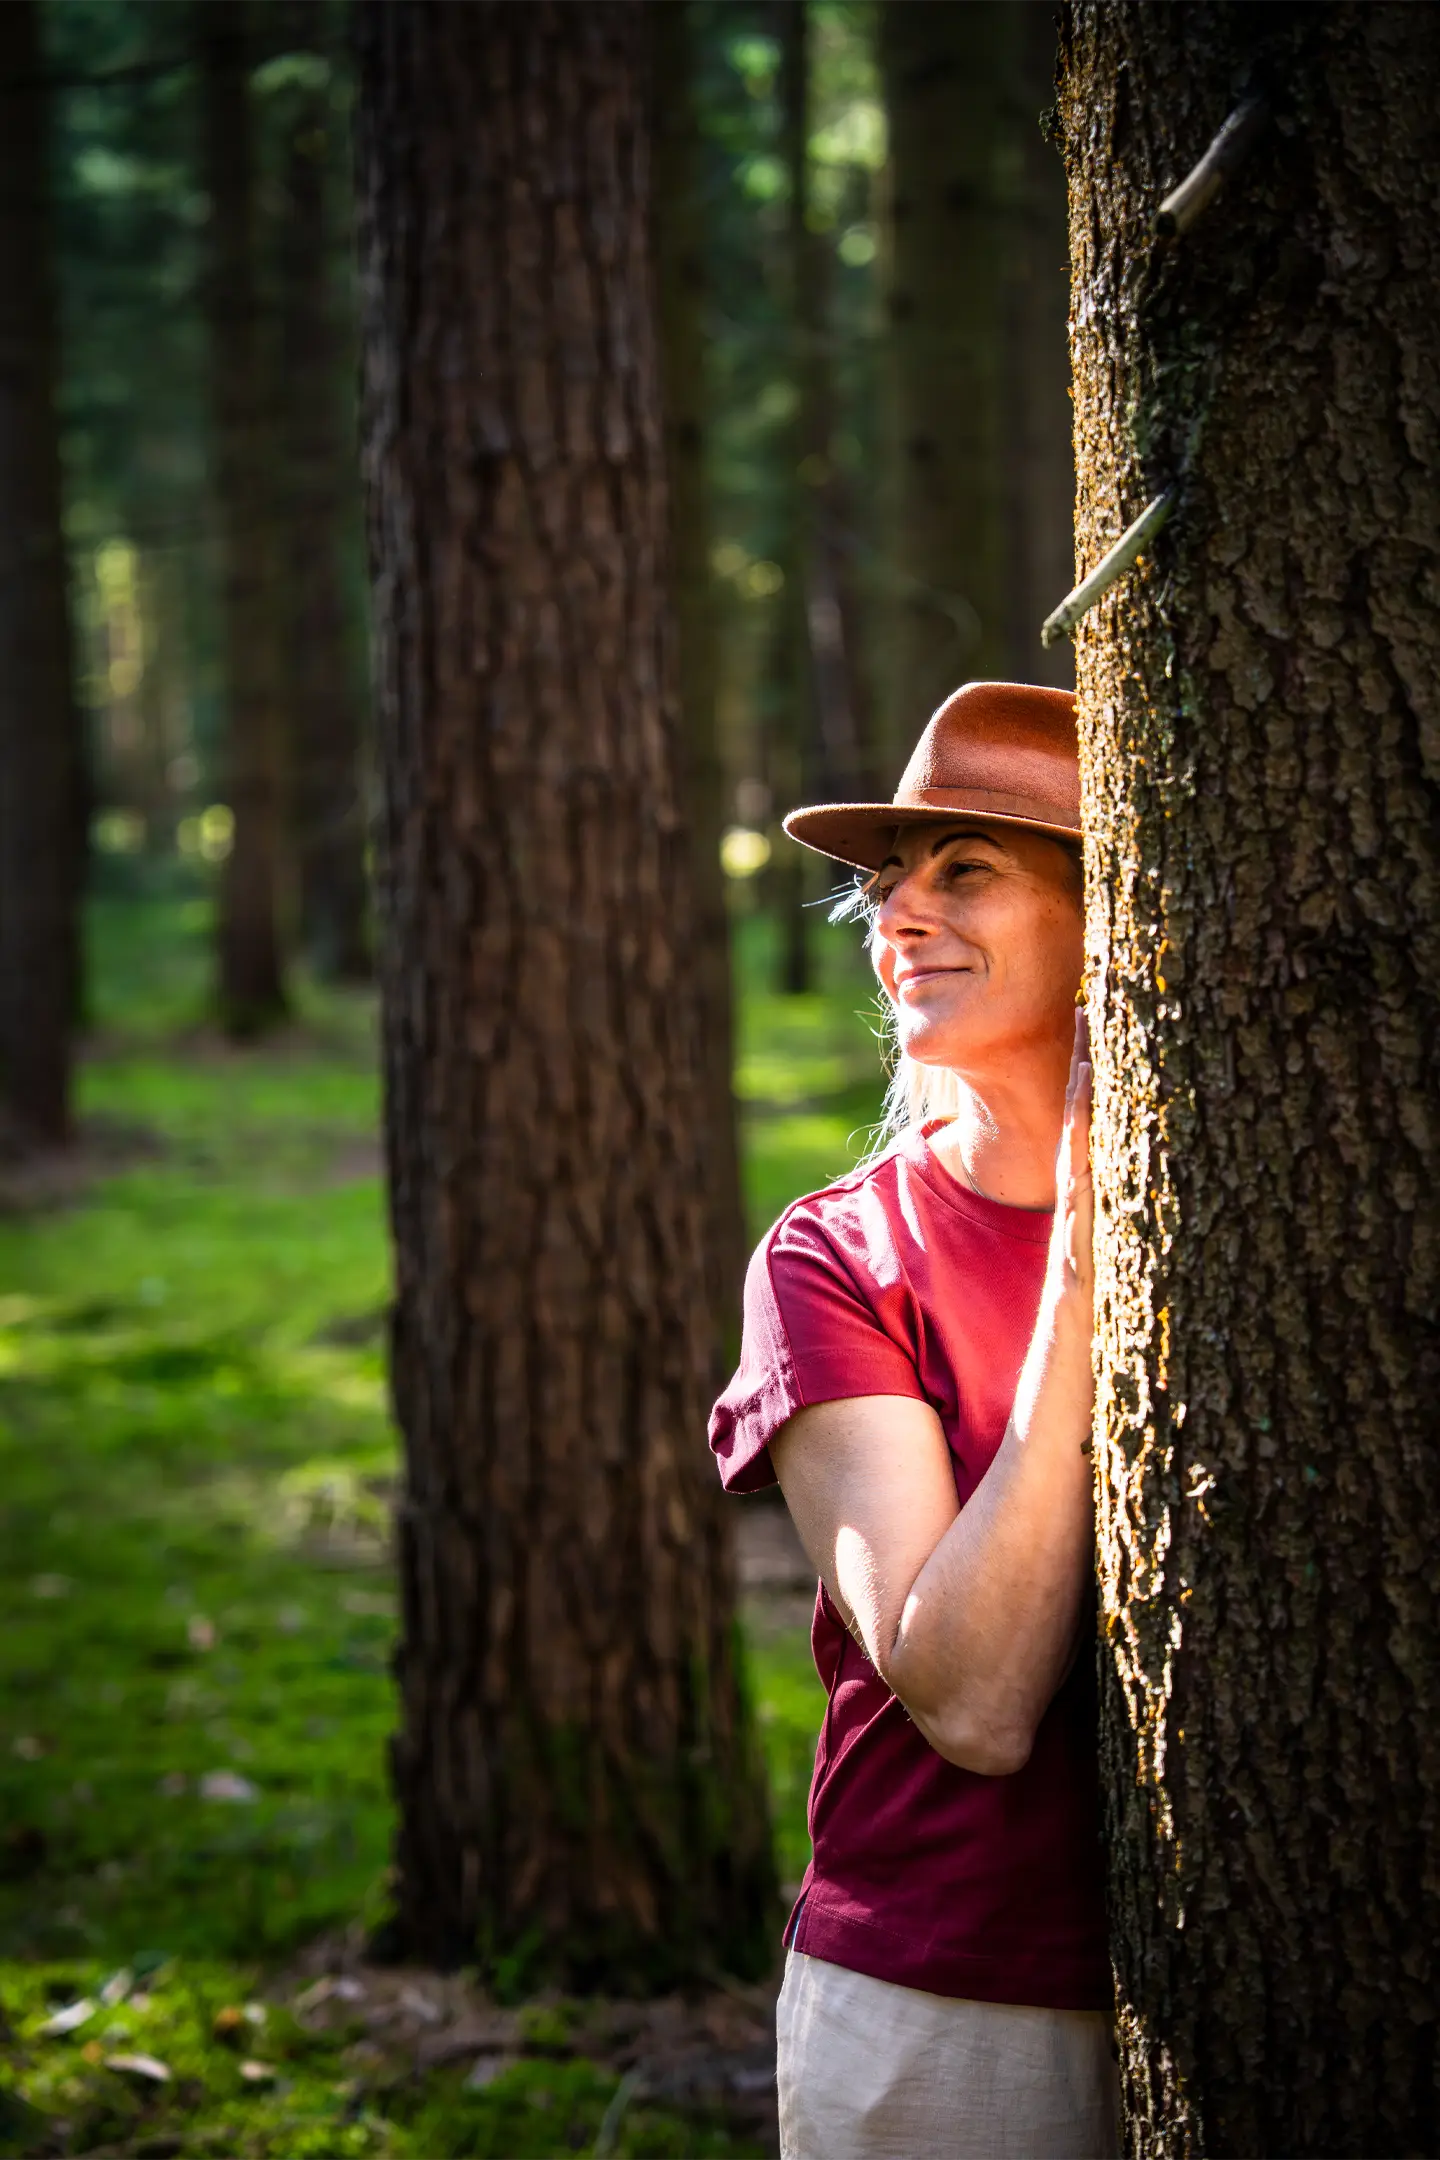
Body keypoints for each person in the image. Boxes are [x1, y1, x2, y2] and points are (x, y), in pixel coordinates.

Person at [709, 682, 1117, 2159]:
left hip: (1294, 1985)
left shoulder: (1283, 1222)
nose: (899, 914)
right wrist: (1086, 1261)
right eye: (891, 882)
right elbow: (973, 1703)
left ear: (1109, 920)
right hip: (953, 2003)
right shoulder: (837, 1257)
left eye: (969, 870)